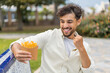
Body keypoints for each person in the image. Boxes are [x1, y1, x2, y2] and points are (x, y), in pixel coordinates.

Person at [10, 4, 95, 73]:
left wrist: (81, 49)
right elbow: (20, 43)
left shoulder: (84, 46)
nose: (65, 26)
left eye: (69, 22)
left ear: (78, 21)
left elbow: (89, 71)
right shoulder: (49, 36)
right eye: (62, 21)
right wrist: (16, 50)